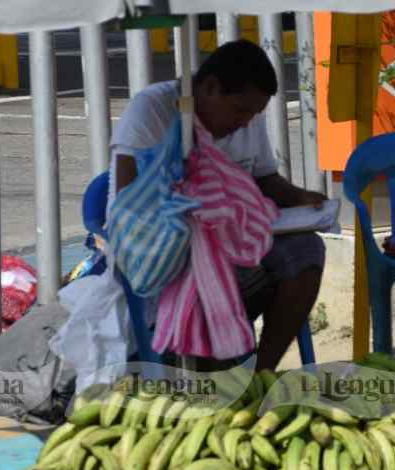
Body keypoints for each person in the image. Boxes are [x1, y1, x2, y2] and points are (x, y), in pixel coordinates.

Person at [109, 40, 327, 372]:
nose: (245, 122)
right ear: (209, 88)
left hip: (233, 245)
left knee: (306, 251)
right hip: (163, 251)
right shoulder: (152, 108)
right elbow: (127, 198)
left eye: (253, 115)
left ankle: (261, 374)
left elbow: (266, 179)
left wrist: (302, 198)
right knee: (208, 271)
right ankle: (214, 368)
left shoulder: (247, 119)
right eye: (239, 110)